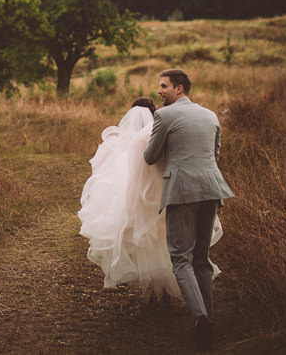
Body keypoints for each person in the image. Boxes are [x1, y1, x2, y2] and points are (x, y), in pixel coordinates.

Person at [78, 97, 222, 300]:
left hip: (138, 198)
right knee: (166, 243)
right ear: (153, 111)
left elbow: (104, 166)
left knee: (147, 245)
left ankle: (153, 290)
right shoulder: (160, 130)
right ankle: (166, 292)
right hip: (167, 192)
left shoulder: (124, 141)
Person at [144, 68, 235, 350]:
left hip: (182, 190)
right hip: (211, 188)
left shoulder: (164, 116)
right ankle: (207, 318)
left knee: (180, 259)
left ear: (179, 88)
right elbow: (215, 155)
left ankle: (202, 320)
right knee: (201, 258)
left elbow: (150, 156)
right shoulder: (211, 115)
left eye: (164, 86)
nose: (159, 91)